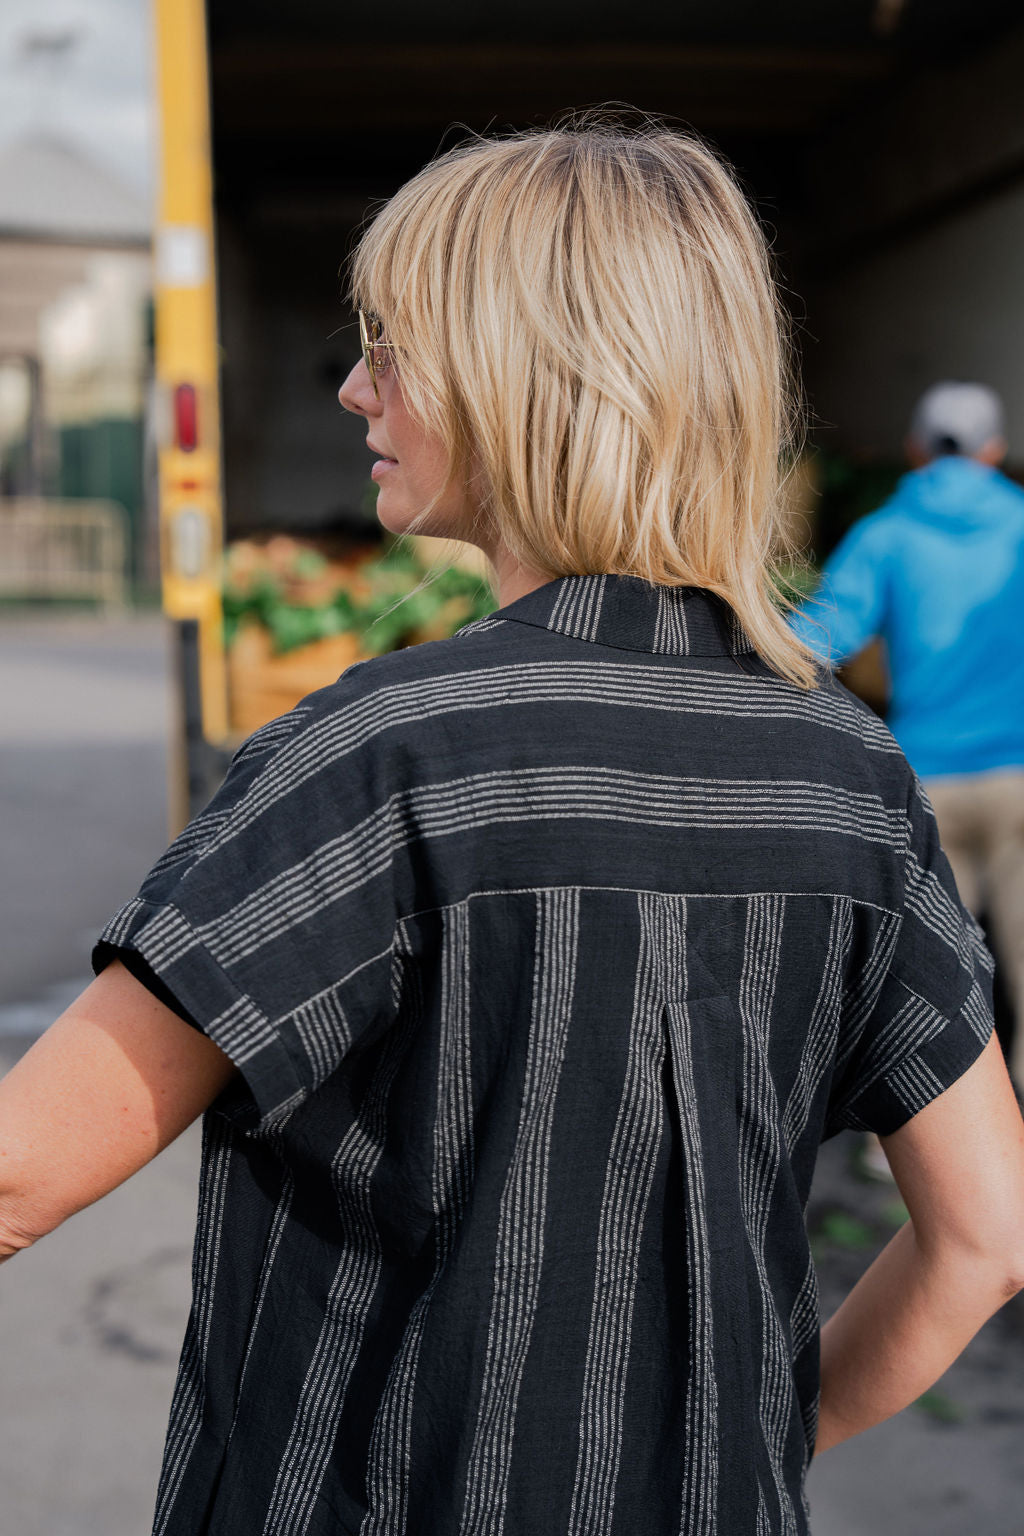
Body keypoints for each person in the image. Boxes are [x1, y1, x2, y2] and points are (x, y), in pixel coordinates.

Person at [1, 124, 1023, 1536]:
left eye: (392, 345)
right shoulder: (850, 779)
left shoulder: (379, 756)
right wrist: (755, 1457)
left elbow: (18, 1170)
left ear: (526, 373)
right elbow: (984, 1236)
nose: (356, 387)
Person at [791, 382, 1024, 1088]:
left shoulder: (886, 533)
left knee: (933, 982)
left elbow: (814, 642)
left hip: (925, 787)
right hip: (1019, 780)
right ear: (996, 451)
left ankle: (901, 1162)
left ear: (916, 450)